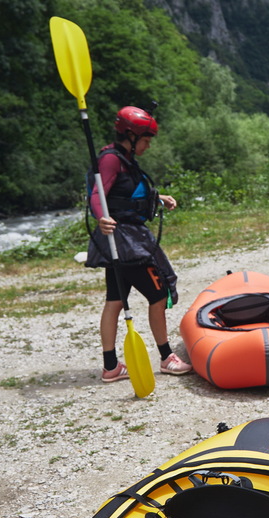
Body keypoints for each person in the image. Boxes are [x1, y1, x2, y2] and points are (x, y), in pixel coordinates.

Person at [85, 105, 193, 382]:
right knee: (158, 295)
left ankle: (111, 367)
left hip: (121, 242)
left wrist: (158, 198)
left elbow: (125, 194)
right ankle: (167, 358)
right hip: (126, 243)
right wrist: (101, 217)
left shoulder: (124, 158)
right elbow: (98, 194)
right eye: (146, 139)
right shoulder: (111, 159)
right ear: (131, 136)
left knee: (115, 300)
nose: (148, 145)